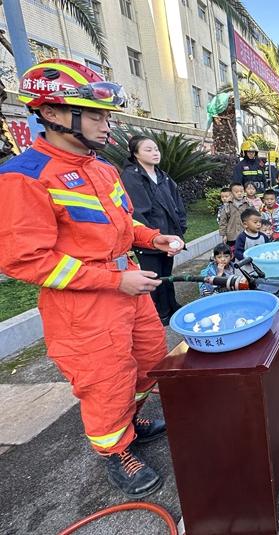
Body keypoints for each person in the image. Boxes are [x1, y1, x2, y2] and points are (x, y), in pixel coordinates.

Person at [0, 58, 184, 497]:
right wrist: (112, 282)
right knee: (107, 380)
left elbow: (121, 224)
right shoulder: (23, 176)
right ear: (51, 113)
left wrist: (154, 238)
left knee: (147, 361)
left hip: (129, 287)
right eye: (95, 114)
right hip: (83, 305)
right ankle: (114, 450)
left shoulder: (101, 168)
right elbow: (25, 260)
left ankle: (132, 422)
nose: (107, 124)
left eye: (106, 114)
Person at [121, 135, 187, 325]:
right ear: (135, 154)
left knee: (167, 273)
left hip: (169, 235)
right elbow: (136, 213)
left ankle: (172, 305)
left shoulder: (162, 175)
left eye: (156, 149)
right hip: (148, 238)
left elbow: (176, 203)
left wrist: (180, 227)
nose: (154, 153)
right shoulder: (131, 176)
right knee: (154, 277)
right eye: (148, 150)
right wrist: (151, 236)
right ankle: (160, 313)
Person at [219, 183, 248, 249]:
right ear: (231, 193)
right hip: (231, 236)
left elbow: (252, 217)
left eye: (241, 191)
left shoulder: (247, 204)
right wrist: (224, 235)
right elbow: (223, 222)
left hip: (245, 233)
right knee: (232, 252)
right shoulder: (227, 206)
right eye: (236, 192)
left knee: (244, 250)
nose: (239, 193)